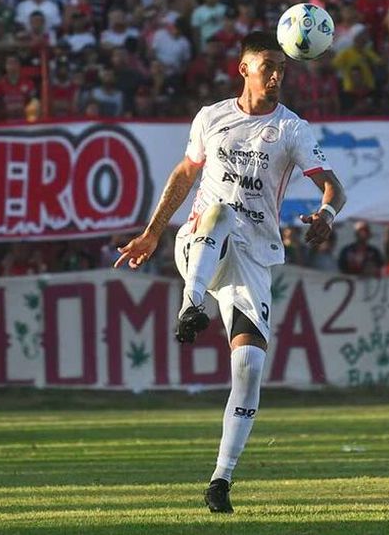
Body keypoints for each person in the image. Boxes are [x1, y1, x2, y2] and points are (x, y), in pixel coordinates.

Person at [114, 31, 346, 514]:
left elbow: (332, 186)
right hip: (201, 243)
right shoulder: (212, 117)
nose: (277, 75)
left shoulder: (292, 129)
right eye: (267, 65)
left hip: (253, 258)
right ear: (244, 69)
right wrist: (153, 232)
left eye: (282, 67)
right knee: (219, 211)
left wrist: (326, 215)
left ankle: (221, 478)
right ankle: (190, 306)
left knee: (249, 369)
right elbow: (185, 174)